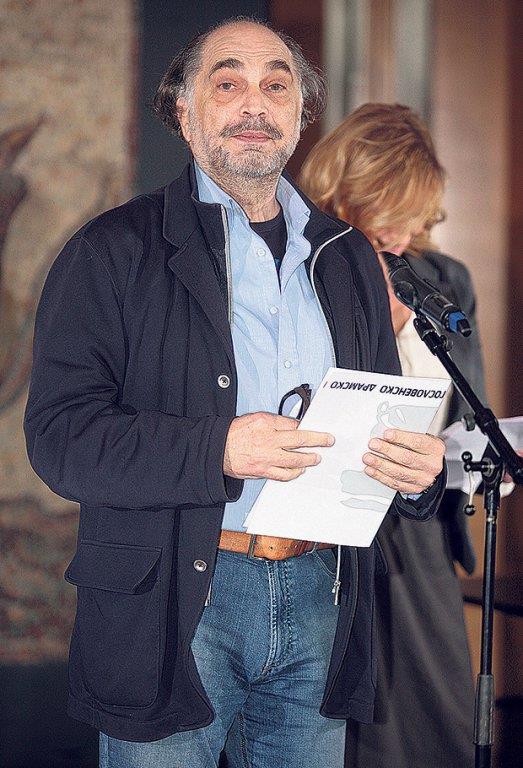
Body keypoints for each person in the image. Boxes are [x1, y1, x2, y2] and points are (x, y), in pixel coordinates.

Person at [24, 23, 446, 768]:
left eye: (276, 85)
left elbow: (380, 416)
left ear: (300, 115)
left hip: (322, 596)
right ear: (184, 113)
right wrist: (217, 448)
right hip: (172, 605)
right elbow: (60, 440)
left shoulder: (347, 257)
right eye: (228, 83)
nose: (256, 103)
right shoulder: (110, 251)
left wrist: (414, 471)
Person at [299, 102, 485, 768]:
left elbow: (468, 413)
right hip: (334, 531)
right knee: (347, 731)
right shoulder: (305, 271)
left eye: (416, 216)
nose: (404, 234)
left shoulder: (448, 280)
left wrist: (482, 454)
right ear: (345, 191)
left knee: (440, 720)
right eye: (389, 211)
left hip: (422, 531)